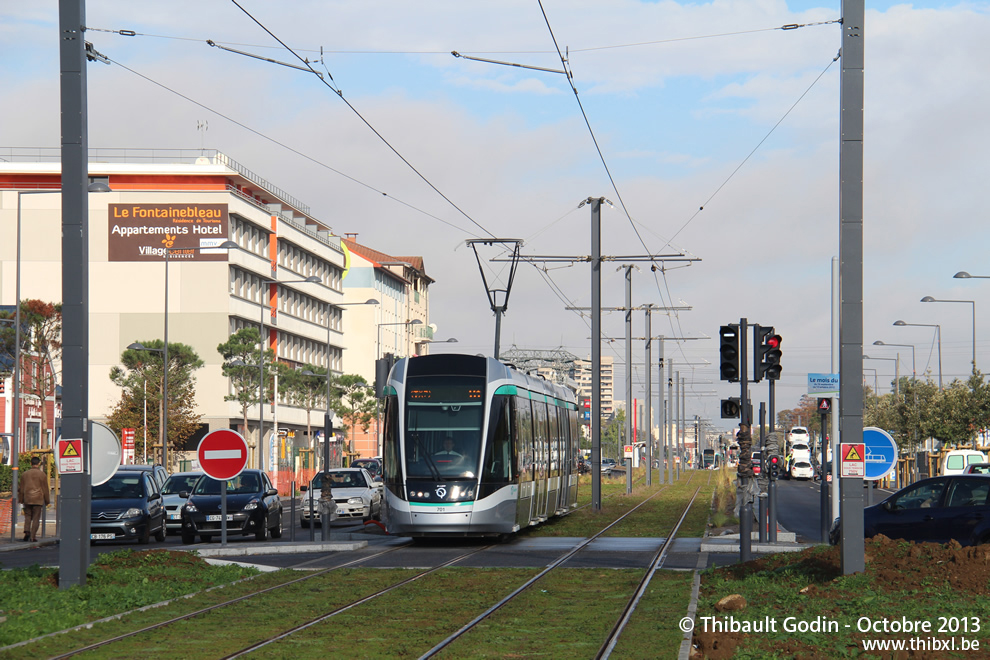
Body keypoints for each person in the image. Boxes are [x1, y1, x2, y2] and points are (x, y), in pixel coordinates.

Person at [18, 456, 50, 542]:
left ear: (31, 463)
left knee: (28, 516)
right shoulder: (42, 474)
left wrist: (20, 499)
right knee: (36, 518)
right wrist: (47, 500)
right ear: (39, 464)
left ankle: (27, 531)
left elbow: (21, 488)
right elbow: (45, 489)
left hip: (27, 498)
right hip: (38, 499)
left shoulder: (24, 474)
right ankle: (33, 536)